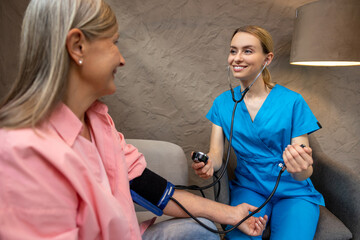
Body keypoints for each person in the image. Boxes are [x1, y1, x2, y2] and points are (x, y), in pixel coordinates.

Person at [0, 1, 268, 239]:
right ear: (77, 46)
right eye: (113, 43)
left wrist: (231, 214)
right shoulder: (22, 152)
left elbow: (152, 190)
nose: (122, 59)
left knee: (198, 230)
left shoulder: (98, 122)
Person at [192, 25, 325, 240]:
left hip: (293, 190)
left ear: (267, 58)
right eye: (233, 50)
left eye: (247, 51)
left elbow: (303, 171)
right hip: (249, 188)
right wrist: (208, 163)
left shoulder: (293, 102)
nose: (237, 58)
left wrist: (301, 168)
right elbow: (216, 154)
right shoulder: (222, 103)